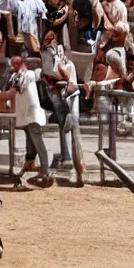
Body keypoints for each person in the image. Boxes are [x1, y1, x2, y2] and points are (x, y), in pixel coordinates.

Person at [40, 29, 83, 183]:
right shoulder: (48, 59)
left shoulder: (69, 64)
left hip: (71, 97)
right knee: (63, 126)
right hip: (59, 98)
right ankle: (66, 157)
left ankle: (76, 163)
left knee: (73, 124)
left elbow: (70, 82)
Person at [3, 55, 51, 186]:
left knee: (38, 143)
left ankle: (46, 171)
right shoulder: (16, 76)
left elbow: (18, 87)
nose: (14, 66)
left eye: (17, 63)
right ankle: (31, 169)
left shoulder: (28, 74)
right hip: (25, 116)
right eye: (13, 64)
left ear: (22, 64)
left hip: (33, 115)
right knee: (31, 145)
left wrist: (4, 94)